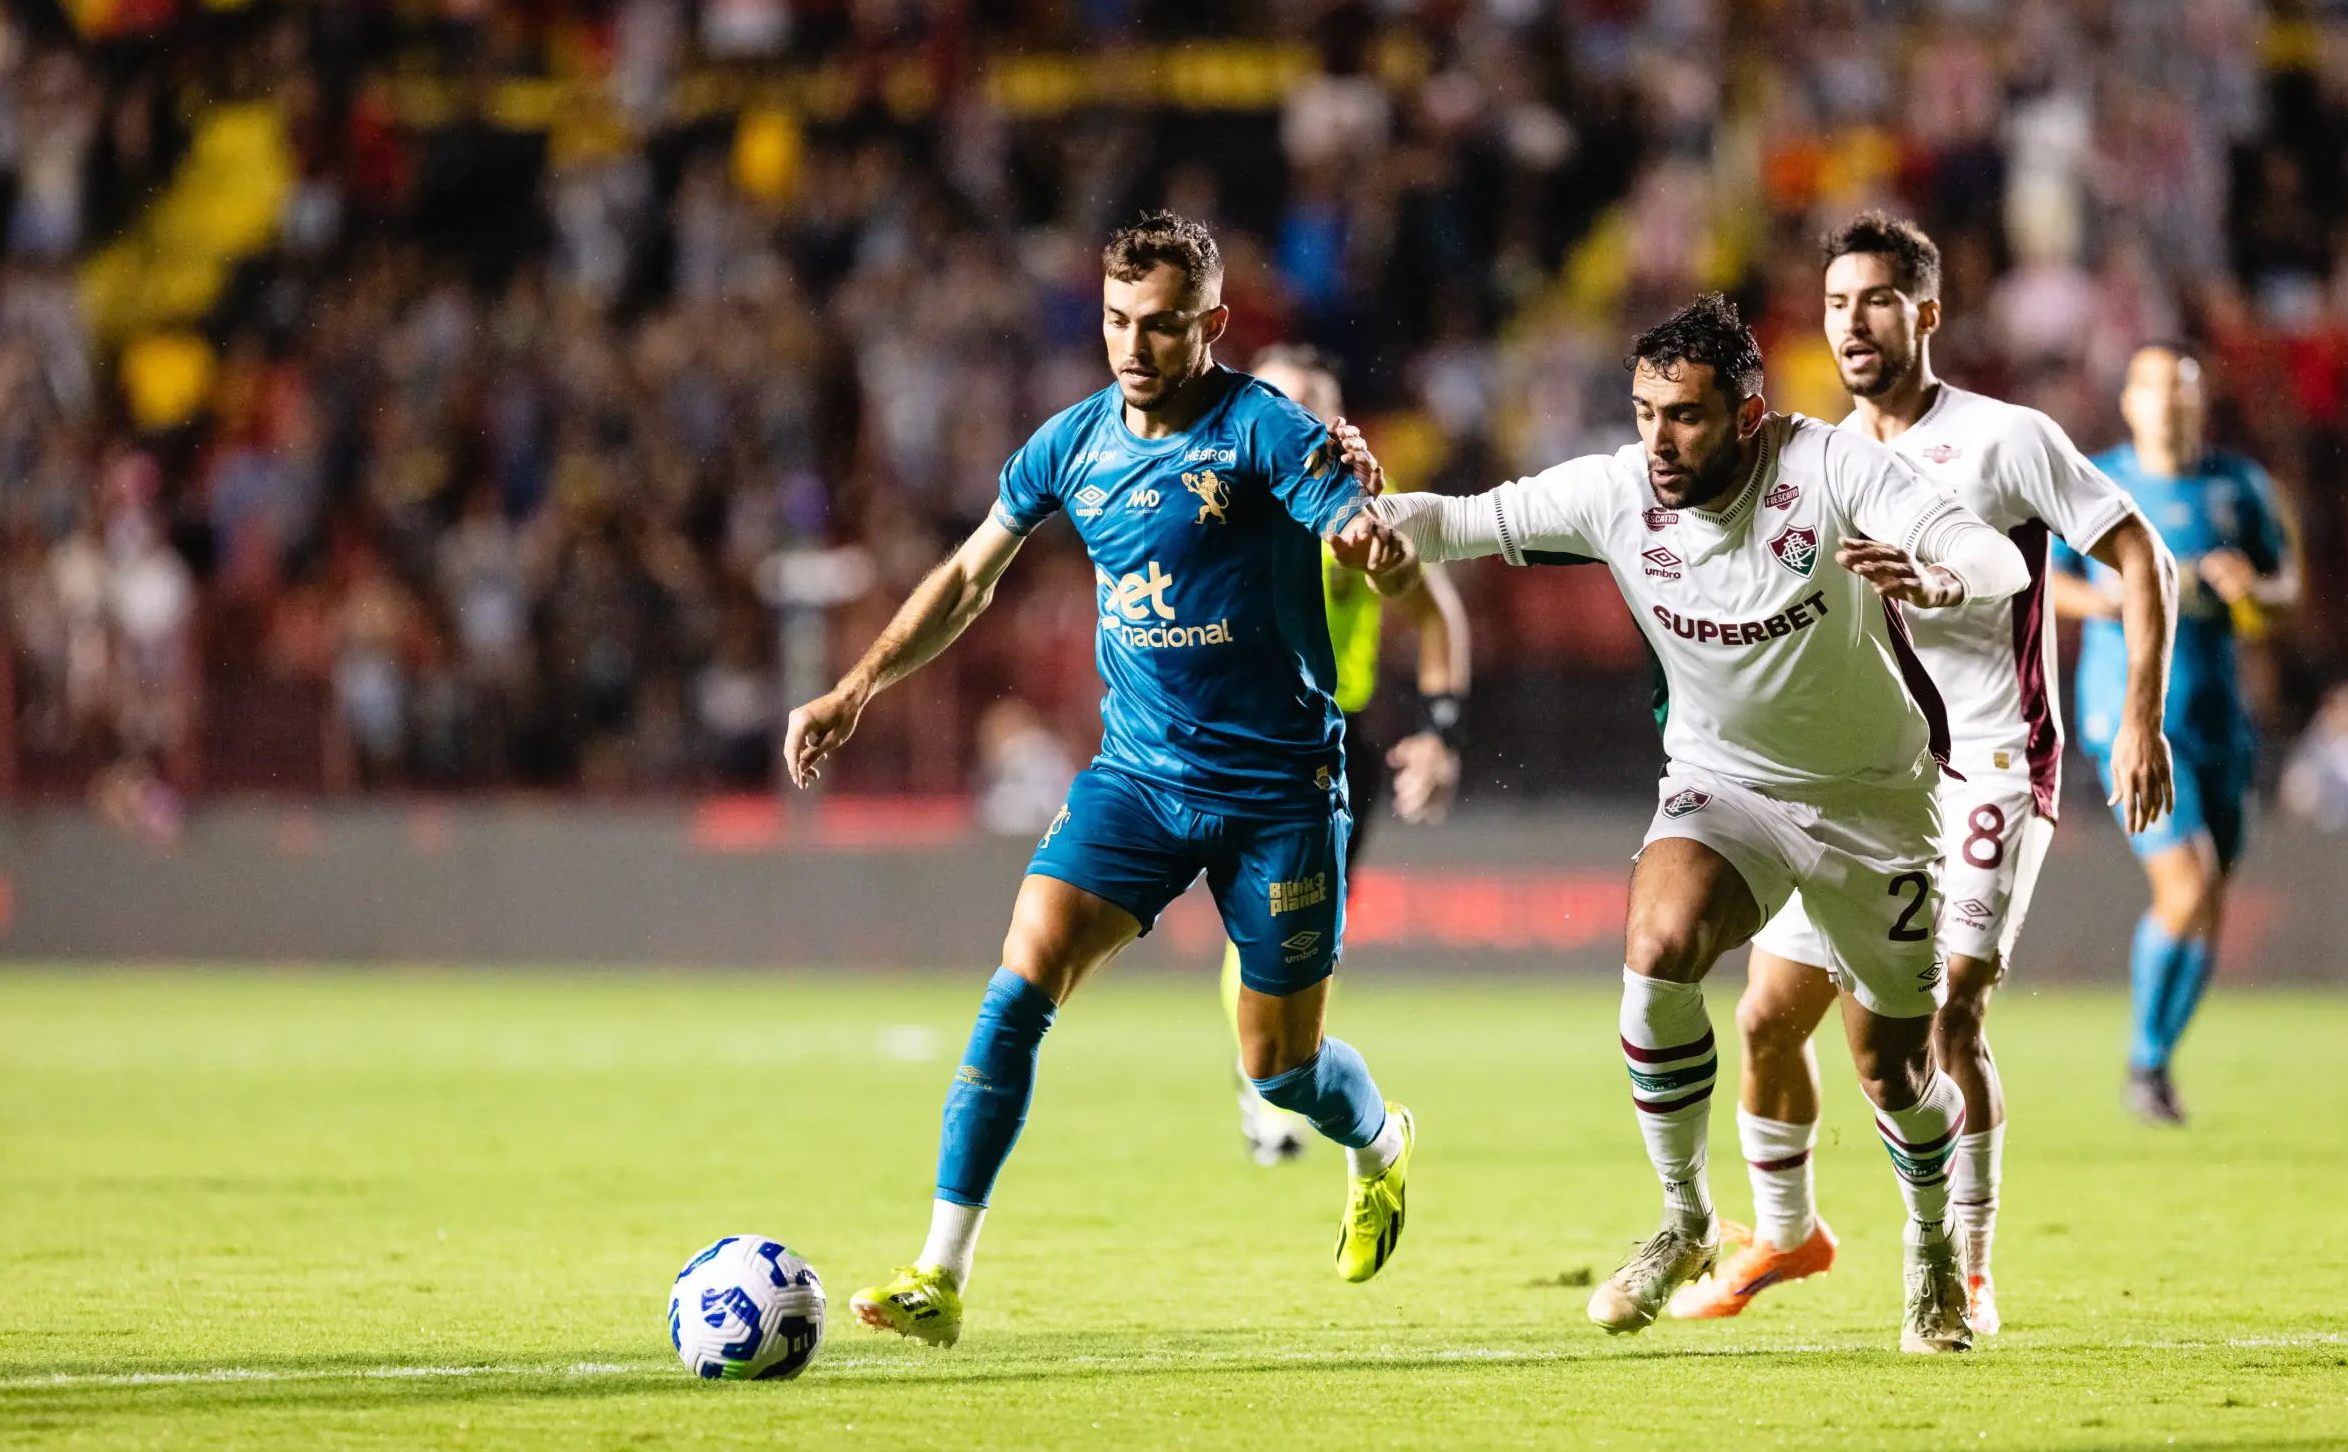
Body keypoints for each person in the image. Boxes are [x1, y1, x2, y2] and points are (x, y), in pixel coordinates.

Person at [784, 212, 1421, 1348]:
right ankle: (940, 1272)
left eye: (1165, 325)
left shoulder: (1268, 431)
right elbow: (970, 576)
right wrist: (854, 688)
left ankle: (1377, 1143)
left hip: (1279, 794)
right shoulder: (1069, 445)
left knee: (1278, 1072)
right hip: (1137, 777)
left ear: (1213, 326)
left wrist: (1369, 534)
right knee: (1020, 981)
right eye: (1120, 320)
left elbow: (1349, 523)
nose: (1136, 345)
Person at [1351, 293, 2033, 1353]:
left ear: (1749, 415)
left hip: (1873, 804)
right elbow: (1457, 518)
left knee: (1894, 1071)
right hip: (1725, 784)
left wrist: (1938, 577)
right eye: (1643, 412)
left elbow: (1998, 559)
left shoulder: (1827, 469)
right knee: (1657, 949)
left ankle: (1935, 1248)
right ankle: (1683, 1218)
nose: (1658, 440)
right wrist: (1373, 521)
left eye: (1686, 416)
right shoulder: (1616, 493)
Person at [1668, 213, 2177, 1339]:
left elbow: (2142, 553)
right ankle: (1785, 1232)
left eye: (1878, 300)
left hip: (1992, 765)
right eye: (1837, 302)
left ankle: (1965, 1272)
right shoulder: (1813, 460)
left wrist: (2139, 718)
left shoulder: (2006, 439)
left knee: (1942, 1022)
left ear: (1926, 314)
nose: (1853, 320)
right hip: (1861, 784)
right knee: (1762, 1020)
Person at [1223, 343, 1472, 1165]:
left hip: (1328, 747)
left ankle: (1272, 1076)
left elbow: (1435, 616)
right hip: (1223, 729)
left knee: (1297, 931)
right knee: (1257, 919)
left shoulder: (1364, 506)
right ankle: (1266, 1086)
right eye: (1277, 404)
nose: (1292, 427)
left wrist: (1440, 729)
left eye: (1310, 411)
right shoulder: (1207, 491)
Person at [2052, 345, 2298, 1126]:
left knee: (2209, 900)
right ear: (2129, 402)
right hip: (2125, 714)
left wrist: (2252, 589)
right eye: (2156, 390)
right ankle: (2145, 1063)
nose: (2170, 403)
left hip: (2217, 718)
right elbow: (2045, 574)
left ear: (2201, 402)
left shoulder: (2239, 487)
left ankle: (2152, 1065)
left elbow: (2286, 587)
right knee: (2186, 887)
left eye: (2183, 390)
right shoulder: (2096, 480)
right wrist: (2116, 597)